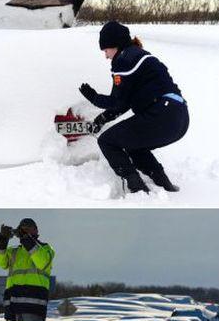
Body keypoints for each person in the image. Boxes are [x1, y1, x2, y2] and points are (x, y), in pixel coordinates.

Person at [79, 21, 189, 194]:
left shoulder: (124, 60)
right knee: (133, 144)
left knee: (107, 141)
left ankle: (136, 187)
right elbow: (125, 101)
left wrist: (94, 97)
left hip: (161, 114)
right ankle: (163, 183)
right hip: (179, 118)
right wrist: (103, 119)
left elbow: (117, 101)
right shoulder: (138, 55)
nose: (106, 56)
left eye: (105, 50)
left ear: (114, 45)